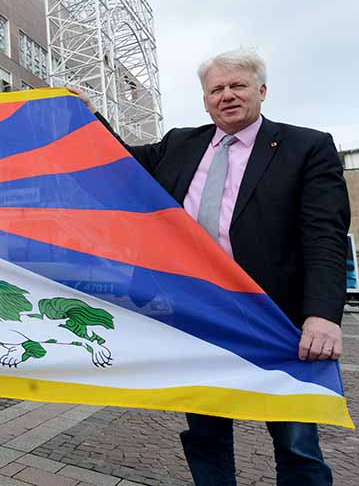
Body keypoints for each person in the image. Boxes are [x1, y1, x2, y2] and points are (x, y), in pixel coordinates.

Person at [73, 48, 348, 485]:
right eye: (216, 89)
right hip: (197, 317)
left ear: (261, 90)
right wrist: (85, 116)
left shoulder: (306, 146)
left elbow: (324, 236)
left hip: (276, 319)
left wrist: (322, 315)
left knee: (296, 443)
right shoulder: (180, 143)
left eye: (238, 85)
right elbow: (118, 164)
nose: (227, 96)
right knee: (205, 434)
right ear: (205, 100)